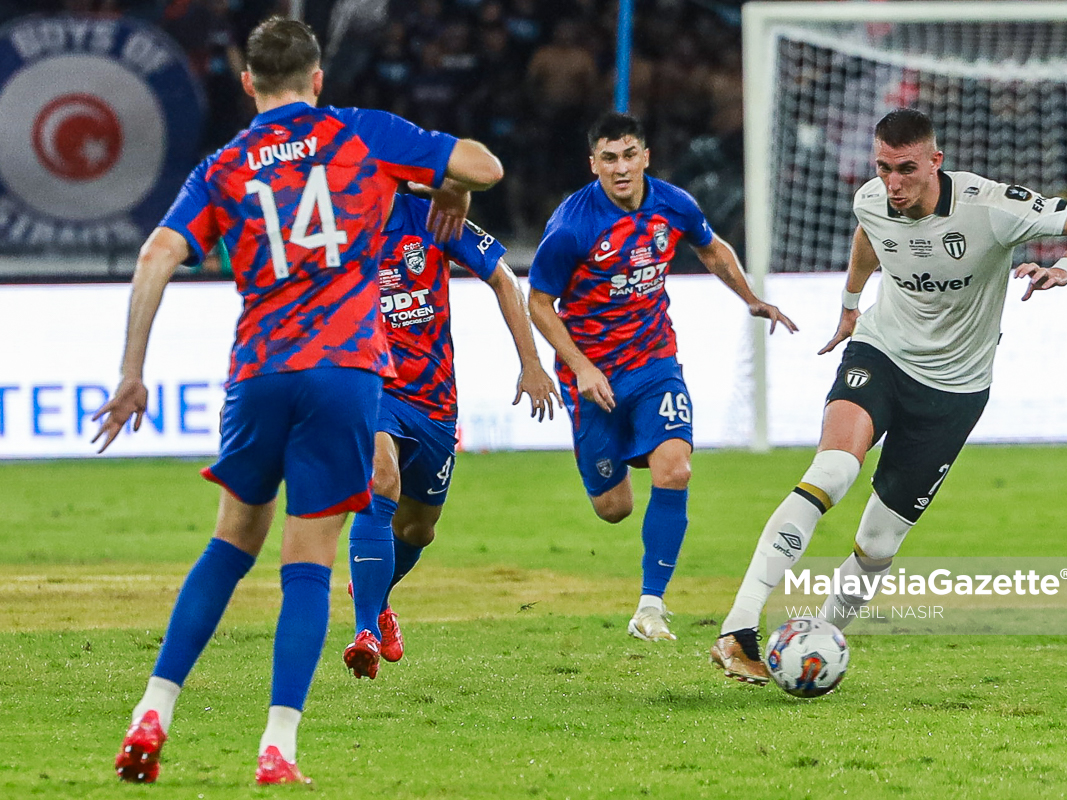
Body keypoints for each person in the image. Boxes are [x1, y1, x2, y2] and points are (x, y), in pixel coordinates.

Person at [93, 16, 502, 783]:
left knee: (229, 544)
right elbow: (485, 165)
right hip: (345, 372)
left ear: (248, 84)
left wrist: (131, 370)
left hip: (261, 368)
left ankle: (154, 708)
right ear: (317, 80)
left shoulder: (225, 164)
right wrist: (443, 183)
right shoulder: (360, 134)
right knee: (308, 561)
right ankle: (276, 748)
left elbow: (157, 253)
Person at [711, 108, 1067, 684]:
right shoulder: (873, 199)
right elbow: (868, 233)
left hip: (955, 390)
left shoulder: (992, 208)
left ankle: (817, 643)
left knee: (878, 541)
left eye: (906, 170)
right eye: (883, 169)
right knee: (830, 471)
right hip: (881, 354)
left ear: (935, 162)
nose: (893, 185)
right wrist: (852, 305)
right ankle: (739, 627)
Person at [527, 111, 796, 643]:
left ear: (646, 155)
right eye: (609, 158)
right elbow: (537, 301)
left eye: (629, 155)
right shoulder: (572, 226)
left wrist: (750, 299)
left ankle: (650, 607)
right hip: (593, 375)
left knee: (676, 469)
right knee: (614, 508)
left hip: (654, 363)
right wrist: (579, 367)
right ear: (593, 164)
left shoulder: (673, 203)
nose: (621, 168)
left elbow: (710, 247)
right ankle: (618, 456)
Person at [343, 188, 560, 679]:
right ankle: (366, 634)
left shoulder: (436, 218)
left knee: (419, 528)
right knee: (380, 481)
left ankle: (374, 592)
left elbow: (503, 280)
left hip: (435, 400)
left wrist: (531, 363)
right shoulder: (338, 225)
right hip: (372, 385)